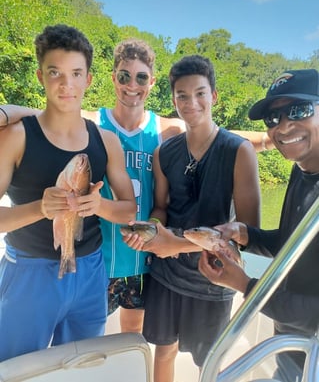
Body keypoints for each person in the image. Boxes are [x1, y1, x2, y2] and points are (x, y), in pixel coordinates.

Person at [0, 39, 274, 337]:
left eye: (141, 77)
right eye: (123, 76)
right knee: (88, 342)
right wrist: (4, 113)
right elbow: (44, 113)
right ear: (112, 79)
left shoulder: (166, 129)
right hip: (98, 256)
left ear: (152, 82)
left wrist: (274, 137)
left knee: (132, 335)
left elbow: (220, 134)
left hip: (144, 254)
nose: (132, 84)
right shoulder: (95, 123)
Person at [0, 24, 136, 362]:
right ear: (40, 76)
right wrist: (39, 208)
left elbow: (129, 211)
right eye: (55, 72)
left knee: (82, 368)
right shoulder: (17, 137)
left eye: (76, 73)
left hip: (90, 273)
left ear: (88, 79)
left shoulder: (106, 141)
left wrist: (99, 205)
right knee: (16, 368)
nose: (66, 84)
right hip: (29, 273)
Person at [124, 55, 261, 382]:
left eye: (200, 93)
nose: (191, 103)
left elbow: (248, 232)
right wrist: (152, 233)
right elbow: (161, 207)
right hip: (166, 275)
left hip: (214, 278)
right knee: (164, 350)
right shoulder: (164, 153)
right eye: (182, 95)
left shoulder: (239, 151)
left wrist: (176, 245)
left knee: (208, 362)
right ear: (173, 99)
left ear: (213, 96)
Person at [198, 68, 319, 382]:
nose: (283, 126)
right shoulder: (303, 171)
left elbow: (313, 316)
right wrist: (245, 234)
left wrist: (243, 284)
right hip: (289, 350)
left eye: (299, 110)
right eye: (273, 118)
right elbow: (295, 246)